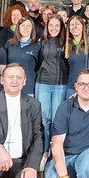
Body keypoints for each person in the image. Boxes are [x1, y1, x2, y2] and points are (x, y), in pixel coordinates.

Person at [35, 14, 68, 168]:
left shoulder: (65, 42)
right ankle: (44, 152)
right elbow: (36, 61)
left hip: (60, 84)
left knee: (56, 120)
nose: (54, 28)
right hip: (43, 84)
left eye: (57, 25)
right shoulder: (42, 42)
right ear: (47, 27)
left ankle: (56, 152)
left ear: (61, 28)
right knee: (44, 119)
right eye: (51, 25)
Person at [0, 17, 41, 97]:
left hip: (29, 87)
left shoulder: (37, 45)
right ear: (18, 28)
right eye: (22, 25)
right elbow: (3, 64)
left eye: (28, 26)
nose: (25, 28)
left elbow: (39, 66)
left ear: (32, 28)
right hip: (10, 86)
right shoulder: (9, 44)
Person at [65, 16, 89, 98]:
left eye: (77, 24)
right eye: (72, 24)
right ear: (68, 28)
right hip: (73, 86)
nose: (74, 27)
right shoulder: (67, 45)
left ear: (83, 26)